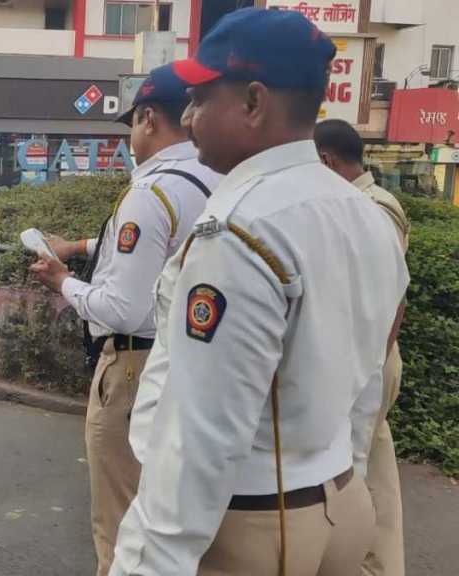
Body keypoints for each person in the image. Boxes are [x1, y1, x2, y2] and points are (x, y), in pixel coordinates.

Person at [113, 9, 408, 576]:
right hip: (339, 502)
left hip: (252, 524)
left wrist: (148, 564)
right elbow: (366, 385)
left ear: (252, 102)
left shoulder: (240, 230)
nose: (190, 116)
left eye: (200, 98)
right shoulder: (363, 214)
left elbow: (201, 434)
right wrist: (347, 479)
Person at [29, 63, 220, 576]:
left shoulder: (149, 192)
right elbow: (167, 248)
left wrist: (63, 281)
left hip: (135, 366)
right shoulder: (217, 180)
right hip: (196, 362)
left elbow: (122, 307)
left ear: (151, 118)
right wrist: (83, 245)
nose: (131, 138)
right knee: (175, 516)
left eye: (132, 124)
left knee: (120, 522)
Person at [315, 118, 409, 576]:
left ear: (327, 161)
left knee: (355, 473)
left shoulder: (372, 209)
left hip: (370, 360)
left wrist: (365, 367)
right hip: (368, 358)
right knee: (375, 468)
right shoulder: (366, 203)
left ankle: (366, 565)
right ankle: (380, 564)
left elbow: (391, 301)